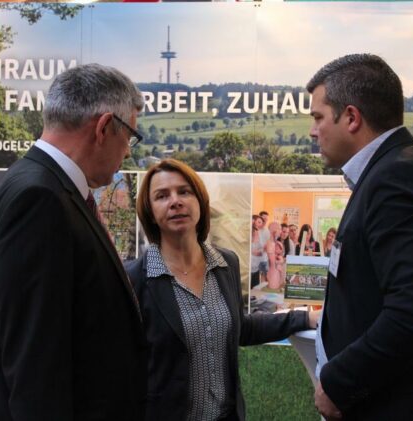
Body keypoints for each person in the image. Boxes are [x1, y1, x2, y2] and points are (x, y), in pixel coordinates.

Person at [0, 63, 148, 421]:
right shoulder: (40, 198)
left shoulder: (40, 183)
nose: (127, 153)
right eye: (130, 136)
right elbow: (35, 361)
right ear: (105, 127)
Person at [307, 54, 413, 420]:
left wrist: (338, 383)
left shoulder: (396, 178)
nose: (312, 130)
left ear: (351, 118)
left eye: (318, 117)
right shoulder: (404, 167)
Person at [124, 159, 318, 421]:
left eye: (184, 191)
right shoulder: (134, 279)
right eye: (162, 196)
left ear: (200, 202)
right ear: (150, 212)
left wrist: (305, 318)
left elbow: (241, 327)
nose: (175, 201)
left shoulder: (226, 263)